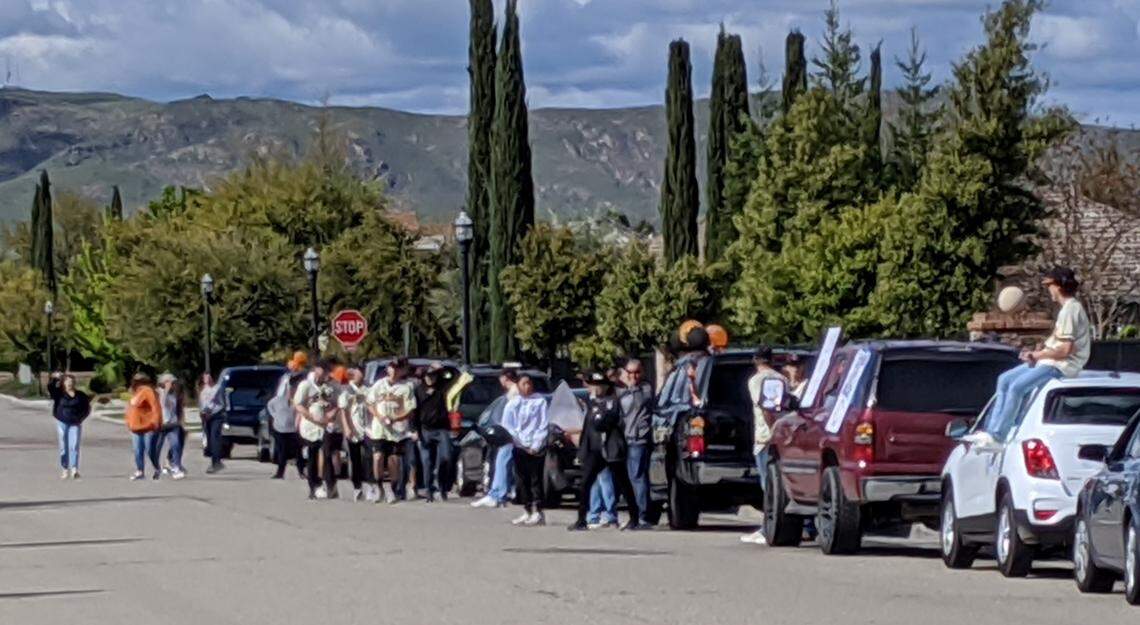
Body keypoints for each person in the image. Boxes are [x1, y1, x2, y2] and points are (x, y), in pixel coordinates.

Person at [985, 267, 1092, 440]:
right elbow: (1057, 345)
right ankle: (991, 430)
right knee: (1004, 379)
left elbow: (1066, 350)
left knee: (1017, 387)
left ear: (1058, 286)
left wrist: (1037, 356)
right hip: (1050, 361)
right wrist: (1036, 353)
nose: (1048, 289)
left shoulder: (1071, 310)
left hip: (1062, 366)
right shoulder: (1067, 309)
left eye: (1049, 285)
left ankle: (999, 435)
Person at [569, 370, 643, 531]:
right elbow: (588, 430)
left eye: (598, 386)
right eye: (592, 385)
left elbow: (602, 423)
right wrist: (582, 450)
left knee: (624, 483)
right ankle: (581, 519)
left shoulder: (612, 402)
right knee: (585, 484)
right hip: (595, 450)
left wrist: (594, 406)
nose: (594, 389)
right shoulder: (591, 404)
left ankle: (634, 517)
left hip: (611, 449)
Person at [741, 345, 788, 545]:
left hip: (764, 437)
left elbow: (765, 406)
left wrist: (771, 430)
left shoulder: (755, 380)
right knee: (780, 484)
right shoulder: (782, 379)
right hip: (782, 436)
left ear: (755, 360)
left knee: (767, 485)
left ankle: (768, 527)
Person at [366, 358, 417, 504]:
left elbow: (411, 409)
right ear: (388, 369)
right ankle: (379, 487)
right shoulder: (378, 385)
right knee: (378, 457)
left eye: (397, 368)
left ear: (402, 370)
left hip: (397, 429)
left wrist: (396, 418)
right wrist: (379, 416)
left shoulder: (406, 387)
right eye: (391, 367)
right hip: (379, 428)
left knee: (393, 459)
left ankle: (393, 490)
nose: (394, 370)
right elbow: (370, 403)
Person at [502, 374, 548, 526]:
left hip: (536, 447)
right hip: (519, 446)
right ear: (518, 386)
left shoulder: (540, 401)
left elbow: (543, 424)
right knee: (522, 480)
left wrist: (535, 445)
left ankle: (538, 511)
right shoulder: (513, 404)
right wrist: (520, 444)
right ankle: (527, 509)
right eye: (524, 384)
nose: (527, 387)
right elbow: (507, 426)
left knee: (536, 479)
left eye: (529, 383)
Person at [471, 369, 520, 508]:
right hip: (510, 435)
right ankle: (500, 493)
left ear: (505, 378)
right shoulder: (513, 393)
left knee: (502, 464)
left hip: (510, 435)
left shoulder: (514, 393)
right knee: (503, 464)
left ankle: (497, 495)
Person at [619, 358, 654, 526]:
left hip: (638, 439)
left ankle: (642, 516)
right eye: (630, 372)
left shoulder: (645, 389)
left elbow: (639, 403)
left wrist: (631, 386)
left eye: (636, 372)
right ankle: (633, 514)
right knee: (628, 478)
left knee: (637, 477)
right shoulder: (623, 391)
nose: (633, 376)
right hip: (624, 439)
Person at [295, 363, 334, 500]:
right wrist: (312, 417)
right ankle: (314, 486)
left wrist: (330, 414)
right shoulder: (306, 385)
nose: (327, 374)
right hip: (310, 427)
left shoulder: (329, 387)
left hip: (326, 426)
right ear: (317, 370)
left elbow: (336, 403)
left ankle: (327, 484)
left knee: (326, 453)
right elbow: (298, 404)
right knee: (312, 456)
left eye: (328, 371)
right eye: (324, 371)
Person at [416, 363, 454, 503]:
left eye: (433, 376)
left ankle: (442, 488)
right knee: (426, 462)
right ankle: (428, 490)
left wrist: (441, 367)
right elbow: (415, 412)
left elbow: (454, 375)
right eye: (428, 376)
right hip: (425, 429)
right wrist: (415, 430)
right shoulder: (419, 390)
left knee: (445, 458)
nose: (431, 379)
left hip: (442, 429)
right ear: (424, 377)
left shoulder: (442, 387)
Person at [47, 372, 90, 479]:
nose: (70, 384)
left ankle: (74, 469)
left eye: (71, 382)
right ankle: (65, 469)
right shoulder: (59, 394)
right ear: (64, 383)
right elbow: (50, 387)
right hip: (62, 422)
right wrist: (55, 378)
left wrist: (81, 418)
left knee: (74, 446)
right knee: (63, 447)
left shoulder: (80, 395)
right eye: (67, 382)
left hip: (75, 423)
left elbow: (86, 408)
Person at [338, 367, 371, 501]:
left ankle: (370, 485)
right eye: (358, 373)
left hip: (367, 429)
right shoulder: (346, 391)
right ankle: (357, 488)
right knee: (355, 459)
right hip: (353, 429)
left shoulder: (368, 389)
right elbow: (343, 411)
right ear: (352, 375)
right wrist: (347, 428)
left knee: (369, 458)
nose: (361, 375)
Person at [269, 370, 305, 479]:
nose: (292, 391)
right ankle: (280, 473)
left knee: (298, 452)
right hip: (280, 428)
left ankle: (301, 472)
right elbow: (270, 405)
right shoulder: (278, 399)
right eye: (291, 389)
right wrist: (275, 416)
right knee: (282, 452)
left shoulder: (299, 399)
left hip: (294, 429)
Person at [125, 373, 162, 480]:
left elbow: (155, 406)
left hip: (148, 426)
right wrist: (128, 421)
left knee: (150, 449)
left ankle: (156, 468)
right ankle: (140, 471)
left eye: (138, 380)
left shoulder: (148, 391)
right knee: (137, 450)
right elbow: (130, 409)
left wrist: (156, 421)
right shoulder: (135, 392)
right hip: (135, 426)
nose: (135, 382)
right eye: (135, 380)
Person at [156, 373, 187, 480]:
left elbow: (176, 409)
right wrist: (166, 390)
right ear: (164, 383)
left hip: (172, 424)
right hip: (161, 425)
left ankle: (176, 467)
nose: (173, 384)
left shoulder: (174, 394)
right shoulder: (159, 393)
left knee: (176, 445)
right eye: (171, 382)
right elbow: (162, 404)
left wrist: (180, 421)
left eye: (174, 383)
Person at [198, 373, 226, 473]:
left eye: (208, 377)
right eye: (204, 378)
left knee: (214, 437)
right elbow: (202, 403)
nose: (207, 379)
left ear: (212, 378)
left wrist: (208, 411)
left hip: (216, 415)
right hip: (206, 417)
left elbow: (215, 402)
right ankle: (215, 461)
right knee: (209, 440)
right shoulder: (203, 390)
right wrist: (202, 413)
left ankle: (216, 462)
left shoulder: (217, 388)